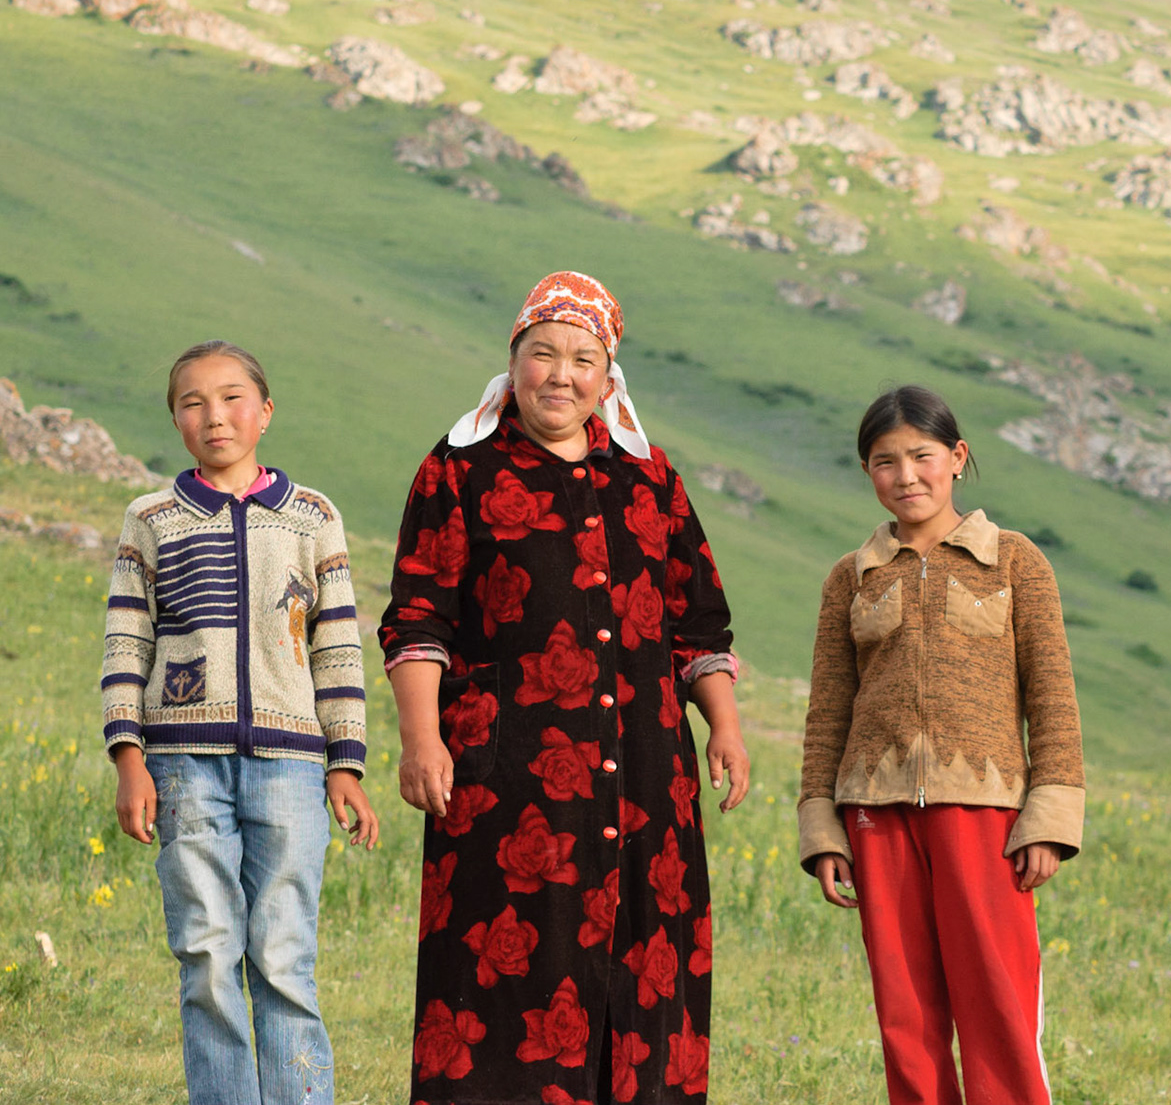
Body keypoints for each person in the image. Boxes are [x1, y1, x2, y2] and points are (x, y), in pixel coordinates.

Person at [382, 271, 748, 1104]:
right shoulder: (458, 471)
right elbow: (417, 619)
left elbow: (701, 625)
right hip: (506, 786)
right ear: (512, 363)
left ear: (608, 378)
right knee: (503, 984)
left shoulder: (652, 481)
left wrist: (723, 727)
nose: (561, 374)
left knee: (644, 982)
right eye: (542, 353)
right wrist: (421, 738)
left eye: (582, 359)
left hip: (650, 786)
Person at [100, 339, 379, 1105]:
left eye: (230, 398)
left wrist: (345, 764)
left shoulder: (313, 517)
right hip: (183, 766)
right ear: (175, 419)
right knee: (206, 949)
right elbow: (128, 641)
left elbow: (338, 646)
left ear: (265, 411)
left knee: (284, 956)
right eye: (192, 402)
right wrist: (128, 754)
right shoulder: (150, 518)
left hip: (292, 768)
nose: (213, 416)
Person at [797, 384, 1083, 1105]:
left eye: (922, 456)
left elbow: (1052, 700)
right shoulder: (849, 578)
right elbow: (828, 712)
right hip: (874, 815)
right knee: (905, 1015)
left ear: (956, 458)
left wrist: (1047, 819)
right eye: (885, 462)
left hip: (985, 814)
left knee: (998, 1005)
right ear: (868, 473)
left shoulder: (1016, 563)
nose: (906, 476)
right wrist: (822, 827)